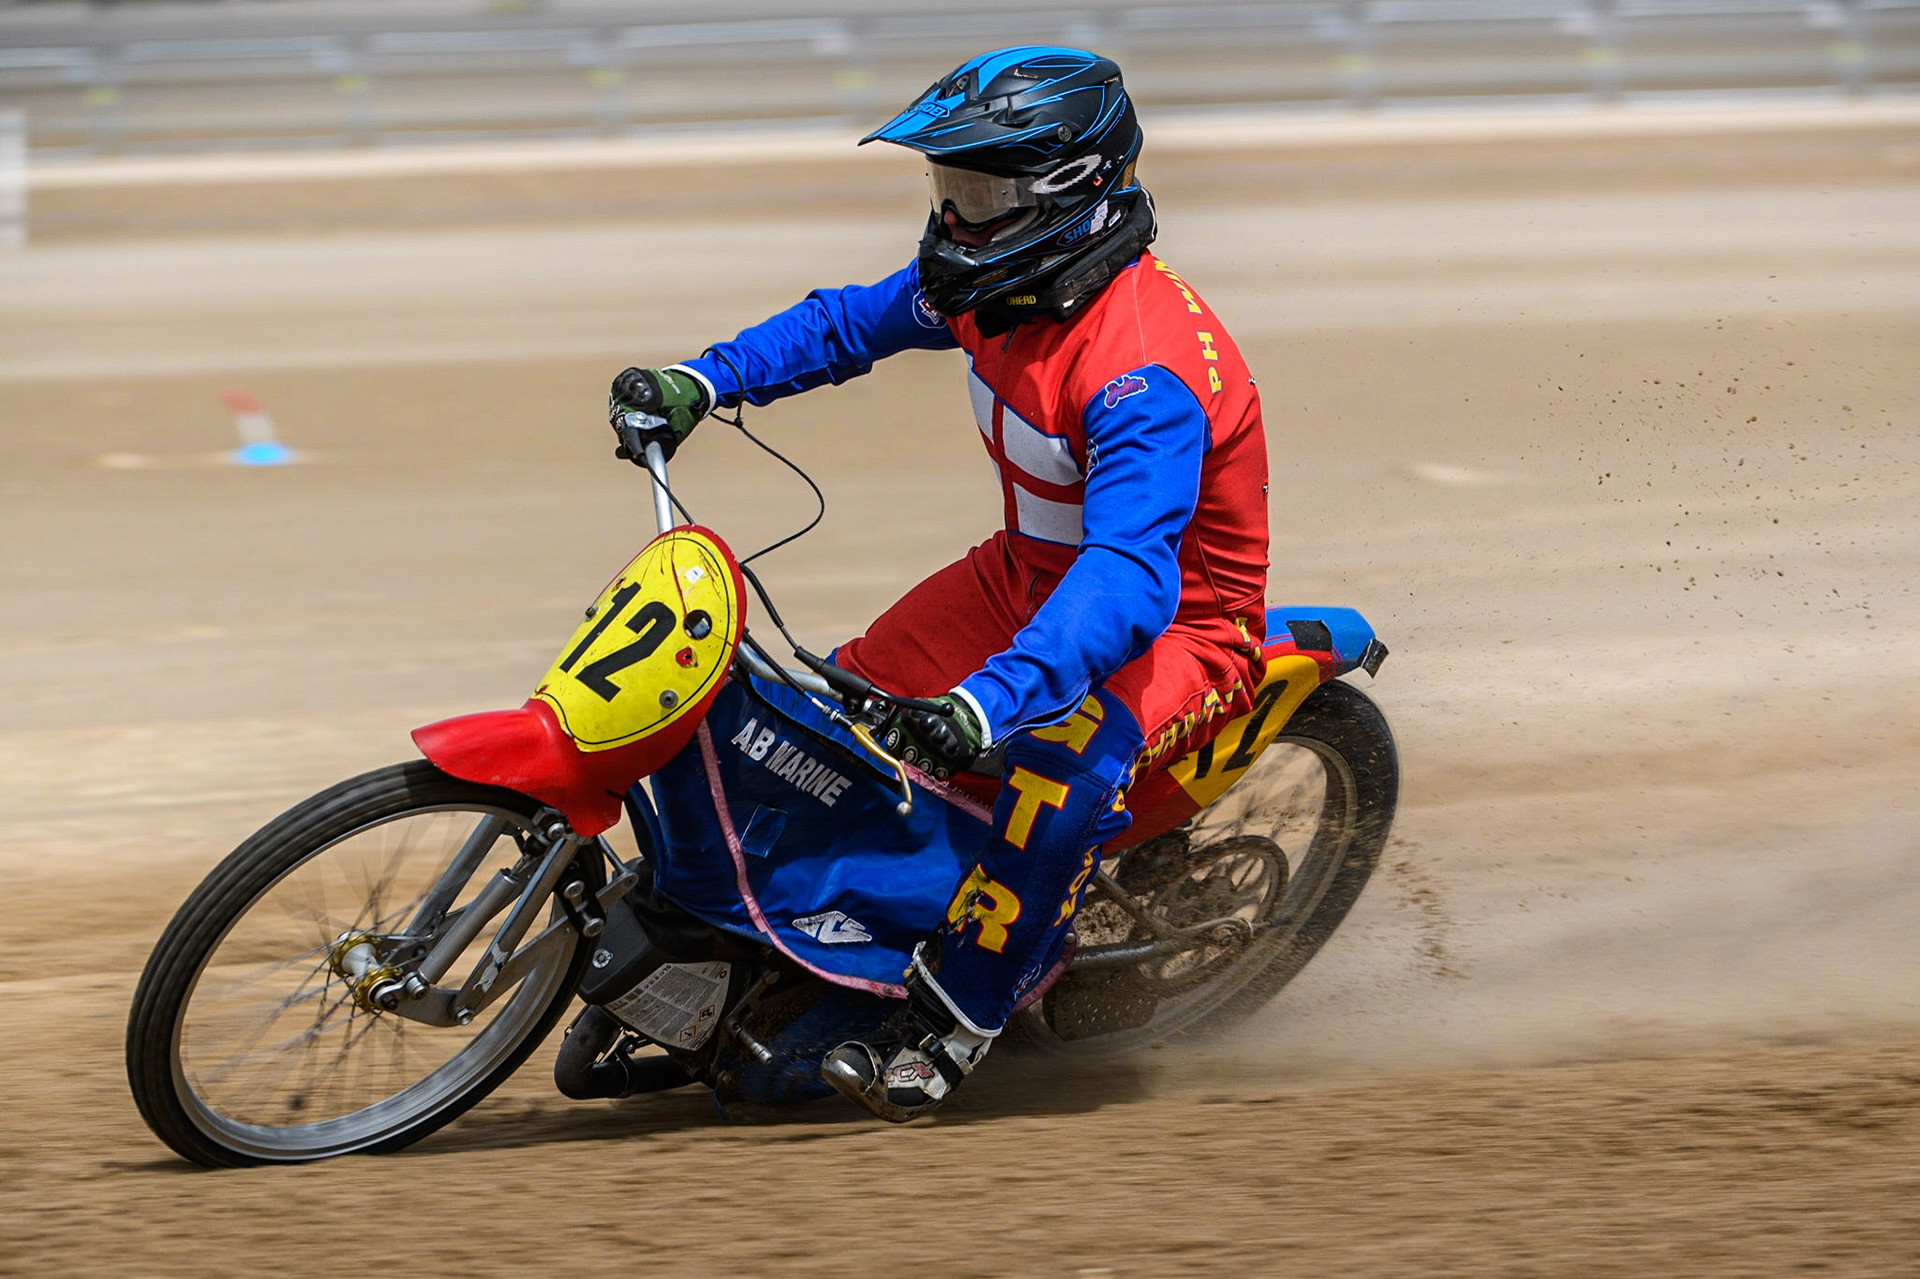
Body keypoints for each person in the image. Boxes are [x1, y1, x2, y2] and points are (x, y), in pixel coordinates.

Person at [608, 46, 1270, 1122]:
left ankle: (952, 1026)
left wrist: (987, 702)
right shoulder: (993, 286)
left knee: (1053, 777)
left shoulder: (1141, 371)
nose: (955, 220)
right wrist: (700, 379)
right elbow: (843, 328)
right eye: (948, 191)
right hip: (1023, 575)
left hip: (1177, 628)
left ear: (1075, 191)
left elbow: (1128, 576)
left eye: (985, 194)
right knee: (840, 722)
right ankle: (848, 926)